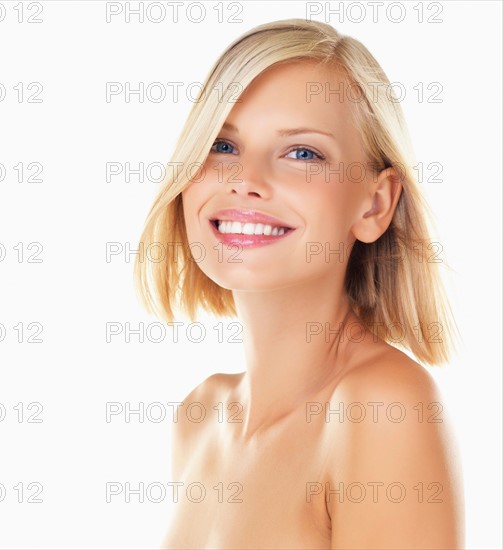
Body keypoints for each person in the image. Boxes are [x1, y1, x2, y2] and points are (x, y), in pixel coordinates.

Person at [134, 18, 464, 549]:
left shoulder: (381, 405)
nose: (246, 179)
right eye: (222, 145)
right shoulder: (200, 414)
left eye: (302, 153)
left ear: (375, 204)